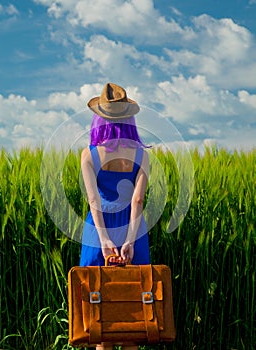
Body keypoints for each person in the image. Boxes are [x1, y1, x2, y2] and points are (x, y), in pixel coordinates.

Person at [80, 82, 150, 350]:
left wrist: (105, 241)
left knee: (101, 317)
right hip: (133, 229)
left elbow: (93, 201)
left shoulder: (89, 154)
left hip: (98, 231)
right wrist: (129, 241)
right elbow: (138, 200)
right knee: (133, 315)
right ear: (130, 119)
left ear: (99, 120)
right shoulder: (141, 154)